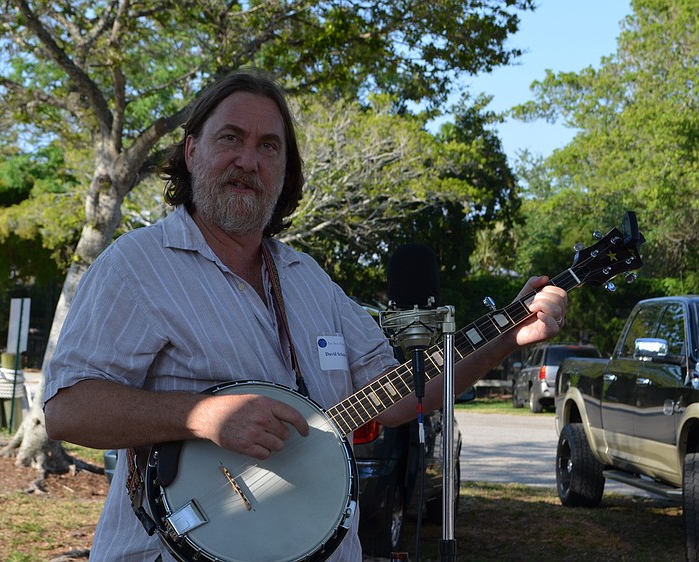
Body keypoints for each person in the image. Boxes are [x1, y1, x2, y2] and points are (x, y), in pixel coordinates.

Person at [43, 70, 567, 562]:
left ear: (284, 169)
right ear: (191, 150)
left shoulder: (306, 278)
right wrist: (202, 417)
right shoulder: (138, 265)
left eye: (268, 146)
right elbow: (68, 409)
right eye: (231, 138)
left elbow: (401, 393)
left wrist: (506, 337)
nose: (249, 160)